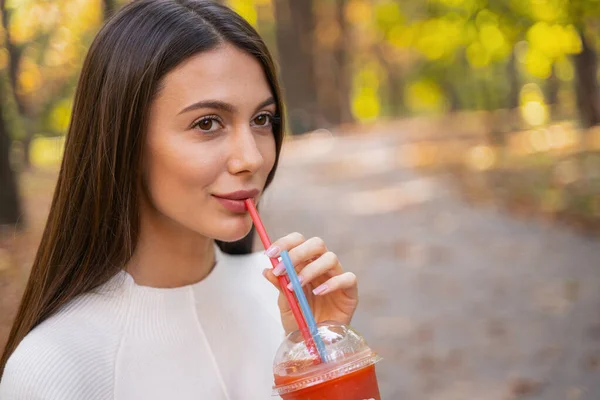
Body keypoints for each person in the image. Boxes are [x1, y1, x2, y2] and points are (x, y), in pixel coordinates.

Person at [0, 1, 359, 399]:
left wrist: (322, 357)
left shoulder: (288, 306)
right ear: (125, 139)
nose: (252, 158)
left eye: (262, 119)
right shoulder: (54, 366)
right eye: (207, 123)